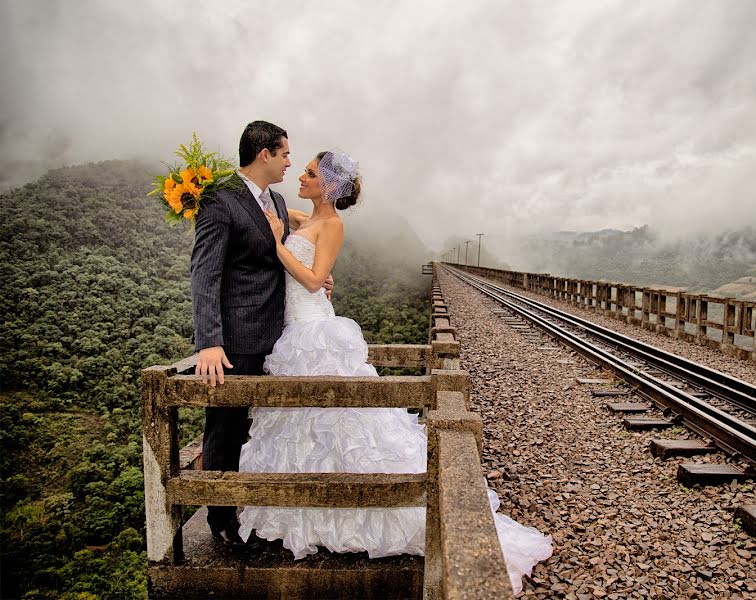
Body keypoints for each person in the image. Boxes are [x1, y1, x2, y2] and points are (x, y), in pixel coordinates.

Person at [237, 150, 552, 593]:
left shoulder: (333, 225)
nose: (302, 177)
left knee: (339, 424)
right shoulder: (299, 217)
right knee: (307, 424)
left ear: (327, 185)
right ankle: (310, 504)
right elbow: (260, 201)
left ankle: (357, 503)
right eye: (302, 169)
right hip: (294, 327)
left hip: (313, 327)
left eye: (309, 173)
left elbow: (312, 280)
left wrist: (275, 245)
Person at [190, 121, 333, 546]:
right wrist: (210, 342)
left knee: (269, 429)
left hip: (280, 333)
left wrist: (318, 278)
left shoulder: (277, 199)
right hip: (236, 337)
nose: (291, 161)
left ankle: (265, 510)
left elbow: (285, 253)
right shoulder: (220, 199)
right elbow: (204, 273)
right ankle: (221, 521)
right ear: (264, 154)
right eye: (286, 154)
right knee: (226, 427)